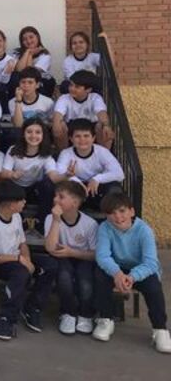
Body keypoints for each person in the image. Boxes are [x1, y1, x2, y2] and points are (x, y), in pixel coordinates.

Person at [93, 192, 171, 352]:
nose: (118, 217)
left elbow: (151, 262)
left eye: (122, 211)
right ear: (106, 215)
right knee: (100, 275)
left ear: (132, 211)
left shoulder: (144, 230)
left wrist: (132, 277)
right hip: (116, 267)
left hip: (141, 269)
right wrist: (117, 274)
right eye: (112, 213)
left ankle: (160, 329)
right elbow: (102, 256)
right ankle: (106, 319)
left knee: (153, 286)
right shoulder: (105, 228)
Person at [0, 181, 57, 340]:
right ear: (11, 205)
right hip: (1, 263)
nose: (25, 202)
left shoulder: (16, 216)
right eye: (21, 200)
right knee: (21, 274)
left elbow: (22, 243)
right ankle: (6, 318)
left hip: (19, 258)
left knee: (50, 266)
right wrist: (20, 259)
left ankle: (32, 307)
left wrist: (27, 260)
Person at [44, 180, 98, 335]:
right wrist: (56, 220)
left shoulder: (90, 224)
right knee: (64, 277)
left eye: (61, 197)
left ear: (75, 203)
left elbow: (95, 255)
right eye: (55, 196)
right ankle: (68, 313)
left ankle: (85, 314)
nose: (55, 199)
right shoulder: (50, 218)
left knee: (85, 280)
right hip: (62, 257)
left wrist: (72, 252)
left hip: (84, 258)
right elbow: (50, 248)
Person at [55, 118, 124, 210]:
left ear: (93, 138)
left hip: (96, 188)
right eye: (78, 136)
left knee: (114, 187)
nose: (82, 139)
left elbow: (119, 174)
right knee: (59, 185)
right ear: (71, 139)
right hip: (76, 190)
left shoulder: (102, 151)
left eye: (86, 136)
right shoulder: (66, 153)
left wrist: (97, 179)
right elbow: (59, 173)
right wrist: (77, 182)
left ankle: (112, 214)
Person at [52, 70, 113, 149]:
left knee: (102, 126)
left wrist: (106, 125)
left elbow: (101, 113)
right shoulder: (64, 98)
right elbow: (58, 115)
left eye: (77, 87)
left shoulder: (95, 97)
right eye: (71, 85)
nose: (72, 88)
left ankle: (104, 154)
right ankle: (64, 153)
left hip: (91, 128)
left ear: (88, 90)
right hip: (71, 129)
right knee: (60, 125)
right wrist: (56, 125)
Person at [13, 26, 55, 97]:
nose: (28, 41)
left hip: (41, 81)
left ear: (37, 37)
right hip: (23, 81)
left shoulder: (45, 54)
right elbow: (19, 70)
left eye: (31, 37)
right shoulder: (16, 52)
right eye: (25, 39)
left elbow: (30, 73)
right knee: (15, 77)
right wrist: (27, 52)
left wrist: (30, 55)